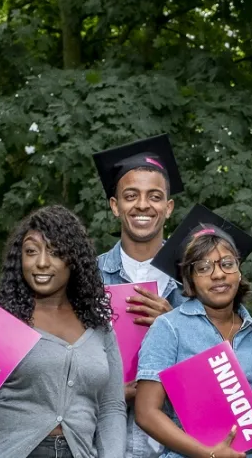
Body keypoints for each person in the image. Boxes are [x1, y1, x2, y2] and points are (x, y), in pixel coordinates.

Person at [0, 205, 125, 457]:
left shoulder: (99, 327)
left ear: (73, 260)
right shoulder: (2, 320)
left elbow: (111, 407)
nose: (41, 263)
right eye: (31, 251)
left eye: (54, 252)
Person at [133, 204, 252, 458]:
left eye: (227, 263)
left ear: (238, 271)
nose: (218, 275)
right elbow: (146, 413)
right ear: (190, 279)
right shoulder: (170, 328)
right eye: (203, 268)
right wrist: (209, 454)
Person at [92, 135, 184, 457]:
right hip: (99, 443)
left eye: (154, 196)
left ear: (168, 208)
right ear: (115, 206)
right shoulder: (86, 278)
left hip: (173, 445)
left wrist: (176, 328)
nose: (143, 205)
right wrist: (113, 392)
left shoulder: (194, 283)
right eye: (131, 195)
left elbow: (216, 374)